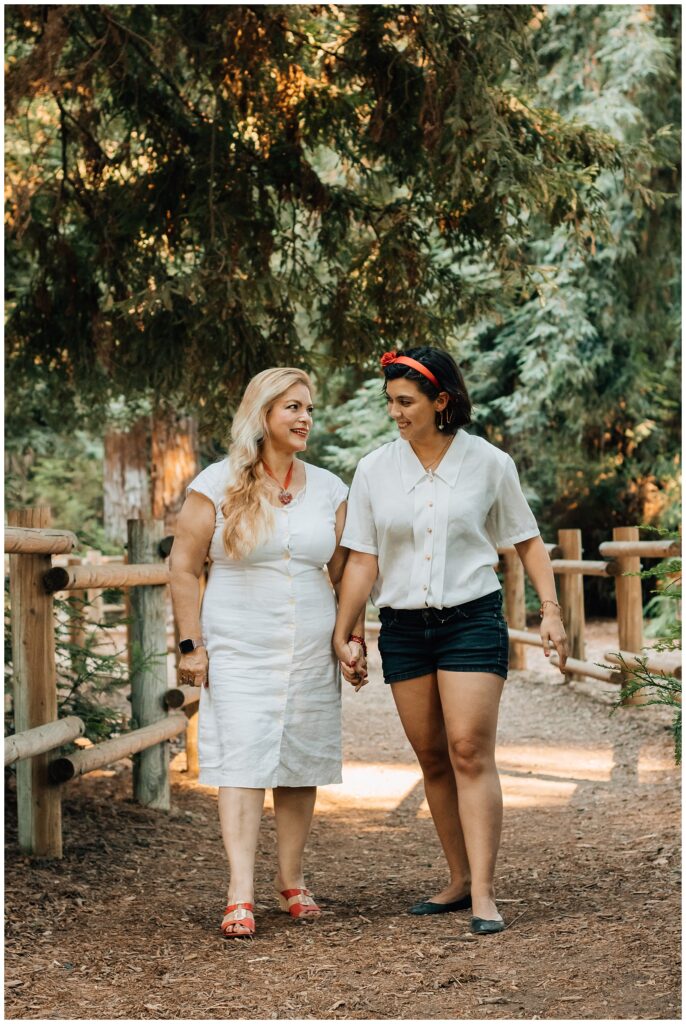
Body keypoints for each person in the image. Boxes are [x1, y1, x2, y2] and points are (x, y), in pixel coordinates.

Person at [333, 346, 568, 935]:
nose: (395, 412)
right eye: (390, 401)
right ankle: (459, 879)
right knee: (432, 755)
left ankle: (486, 893)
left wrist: (553, 610)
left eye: (406, 401)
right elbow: (362, 559)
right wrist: (346, 628)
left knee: (468, 749)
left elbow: (527, 541)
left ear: (442, 402)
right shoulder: (374, 470)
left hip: (471, 619)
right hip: (407, 629)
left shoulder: (490, 463)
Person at [170, 367, 366, 938]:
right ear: (263, 415)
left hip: (309, 642)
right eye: (292, 408)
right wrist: (192, 645)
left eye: (309, 407)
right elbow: (183, 568)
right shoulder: (216, 484)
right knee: (243, 759)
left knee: (299, 758)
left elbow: (343, 572)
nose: (305, 417)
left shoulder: (330, 489)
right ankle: (239, 890)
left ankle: (292, 878)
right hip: (238, 642)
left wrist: (353, 636)